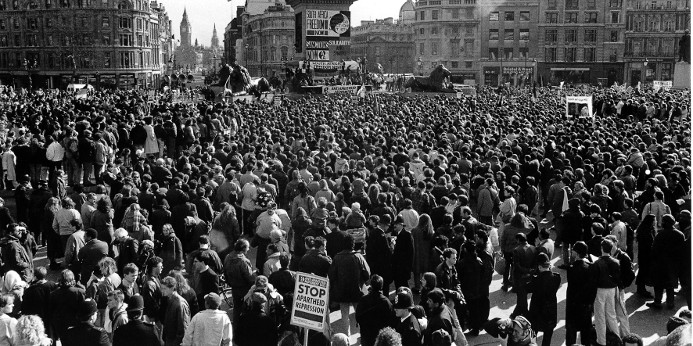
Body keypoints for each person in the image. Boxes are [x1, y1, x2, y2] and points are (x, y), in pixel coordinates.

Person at [329, 233, 371, 336]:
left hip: (342, 291)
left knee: (344, 315)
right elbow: (367, 273)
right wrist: (363, 282)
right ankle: (362, 334)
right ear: (353, 244)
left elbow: (332, 275)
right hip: (357, 291)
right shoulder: (358, 256)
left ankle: (347, 336)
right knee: (360, 314)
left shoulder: (337, 257)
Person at [647, 214, 686, 310]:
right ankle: (670, 303)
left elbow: (654, 250)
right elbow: (683, 250)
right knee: (670, 285)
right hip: (674, 264)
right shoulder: (680, 234)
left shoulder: (660, 235)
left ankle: (657, 301)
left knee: (658, 284)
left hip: (660, 264)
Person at [527, 253, 561, 346]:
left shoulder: (536, 280)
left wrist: (532, 275)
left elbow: (527, 288)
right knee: (547, 337)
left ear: (539, 266)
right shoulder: (556, 277)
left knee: (533, 335)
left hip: (537, 311)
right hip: (550, 311)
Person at [565, 241, 595, 346]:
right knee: (586, 331)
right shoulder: (590, 266)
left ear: (577, 253)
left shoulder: (572, 267)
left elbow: (571, 286)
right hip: (586, 305)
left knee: (571, 332)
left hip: (573, 305)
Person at [591, 239, 621, 346]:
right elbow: (618, 278)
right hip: (612, 289)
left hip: (600, 290)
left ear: (601, 248)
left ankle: (601, 341)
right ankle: (617, 339)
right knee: (611, 314)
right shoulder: (616, 262)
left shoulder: (597, 263)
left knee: (600, 317)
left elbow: (593, 280)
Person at [223, 239, 255, 328]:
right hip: (244, 288)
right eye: (247, 247)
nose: (248, 249)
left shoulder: (228, 257)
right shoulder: (243, 261)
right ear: (243, 248)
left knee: (236, 309)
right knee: (246, 309)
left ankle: (236, 328)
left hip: (234, 287)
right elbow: (249, 277)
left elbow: (225, 272)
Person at [355, 274, 395, 346]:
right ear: (382, 286)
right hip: (381, 337)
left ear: (371, 285)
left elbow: (358, 317)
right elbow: (391, 319)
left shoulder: (363, 300)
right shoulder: (386, 302)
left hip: (366, 335)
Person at [49, 269, 85, 341]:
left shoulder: (53, 294)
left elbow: (51, 311)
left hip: (61, 324)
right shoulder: (79, 292)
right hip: (75, 322)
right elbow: (83, 308)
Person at [511, 232, 536, 318]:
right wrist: (531, 271)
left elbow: (517, 266)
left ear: (518, 240)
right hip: (530, 276)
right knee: (522, 296)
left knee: (521, 296)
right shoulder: (533, 248)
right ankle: (516, 313)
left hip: (520, 277)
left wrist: (526, 271)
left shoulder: (517, 250)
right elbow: (535, 263)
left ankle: (524, 315)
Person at [160, 276, 190, 346]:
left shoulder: (180, 304)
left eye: (164, 288)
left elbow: (183, 328)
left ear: (172, 288)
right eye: (161, 288)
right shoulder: (170, 300)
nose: (162, 291)